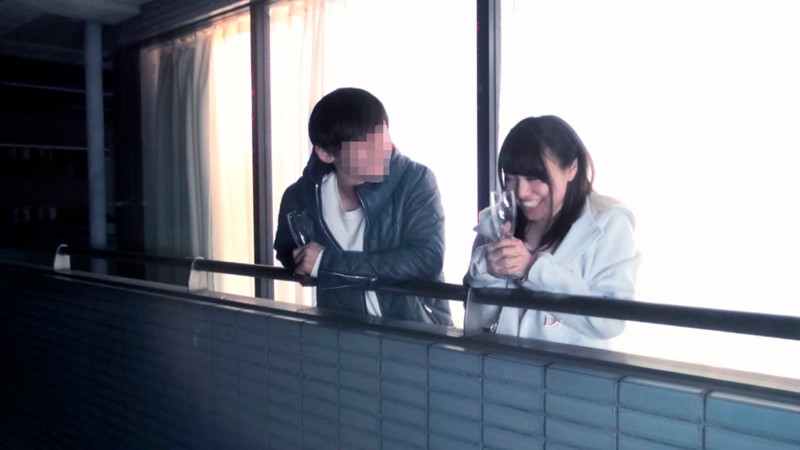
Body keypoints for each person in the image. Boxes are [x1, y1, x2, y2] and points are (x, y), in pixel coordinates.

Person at [274, 87, 452, 325]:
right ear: (326, 154)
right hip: (343, 333)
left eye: (382, 136)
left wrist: (326, 263)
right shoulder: (301, 197)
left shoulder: (415, 180)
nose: (382, 152)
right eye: (366, 145)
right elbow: (287, 250)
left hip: (417, 331)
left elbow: (426, 260)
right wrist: (302, 263)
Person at [466, 115, 640, 348]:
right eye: (511, 178)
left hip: (567, 368)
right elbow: (476, 313)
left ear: (571, 168)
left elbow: (611, 321)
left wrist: (533, 269)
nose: (521, 192)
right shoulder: (498, 221)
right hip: (500, 364)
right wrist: (487, 267)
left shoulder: (609, 223)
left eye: (535, 177)